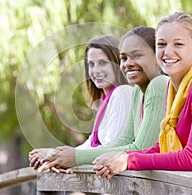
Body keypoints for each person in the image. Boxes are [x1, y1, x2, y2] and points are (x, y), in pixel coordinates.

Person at [93, 12, 192, 180]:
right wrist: (119, 157)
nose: (168, 52)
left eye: (178, 44)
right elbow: (161, 146)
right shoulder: (172, 88)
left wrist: (130, 160)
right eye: (161, 44)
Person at [35, 26, 169, 172]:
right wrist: (62, 157)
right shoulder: (138, 91)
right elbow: (122, 142)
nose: (128, 63)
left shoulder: (158, 84)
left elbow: (142, 148)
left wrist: (76, 158)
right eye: (124, 58)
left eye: (137, 55)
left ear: (157, 56)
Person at [29, 35, 133, 170]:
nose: (96, 71)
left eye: (103, 63)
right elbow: (91, 144)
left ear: (117, 63)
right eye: (91, 64)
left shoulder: (122, 93)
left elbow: (111, 148)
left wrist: (54, 155)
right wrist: (54, 156)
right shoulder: (107, 99)